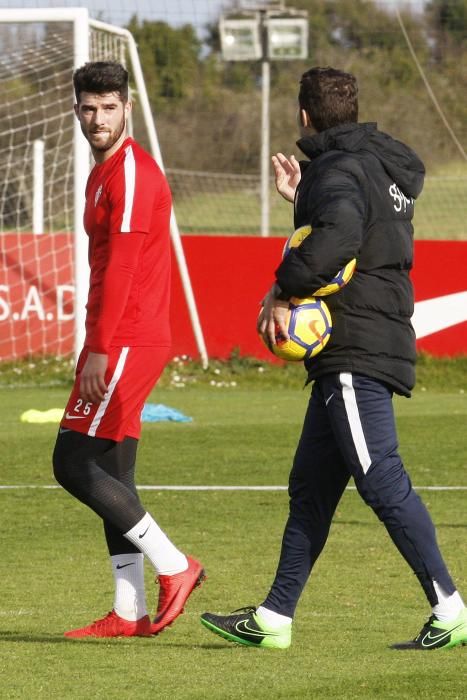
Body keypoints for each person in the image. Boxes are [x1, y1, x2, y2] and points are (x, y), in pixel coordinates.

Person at [200, 67, 466, 650]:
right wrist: (304, 198)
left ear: (304, 116)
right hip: (366, 341)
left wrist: (283, 286)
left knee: (381, 479)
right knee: (311, 488)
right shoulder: (376, 166)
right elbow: (357, 228)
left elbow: (339, 237)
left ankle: (451, 608)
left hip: (355, 347)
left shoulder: (339, 169)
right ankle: (274, 617)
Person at [53, 61, 204, 638]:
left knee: (72, 463)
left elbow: (119, 270)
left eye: (109, 107)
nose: (97, 118)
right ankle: (128, 610)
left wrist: (97, 348)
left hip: (127, 339)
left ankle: (176, 566)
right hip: (118, 340)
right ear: (77, 109)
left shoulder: (133, 175)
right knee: (113, 471)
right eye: (89, 108)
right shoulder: (101, 172)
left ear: (128, 108)